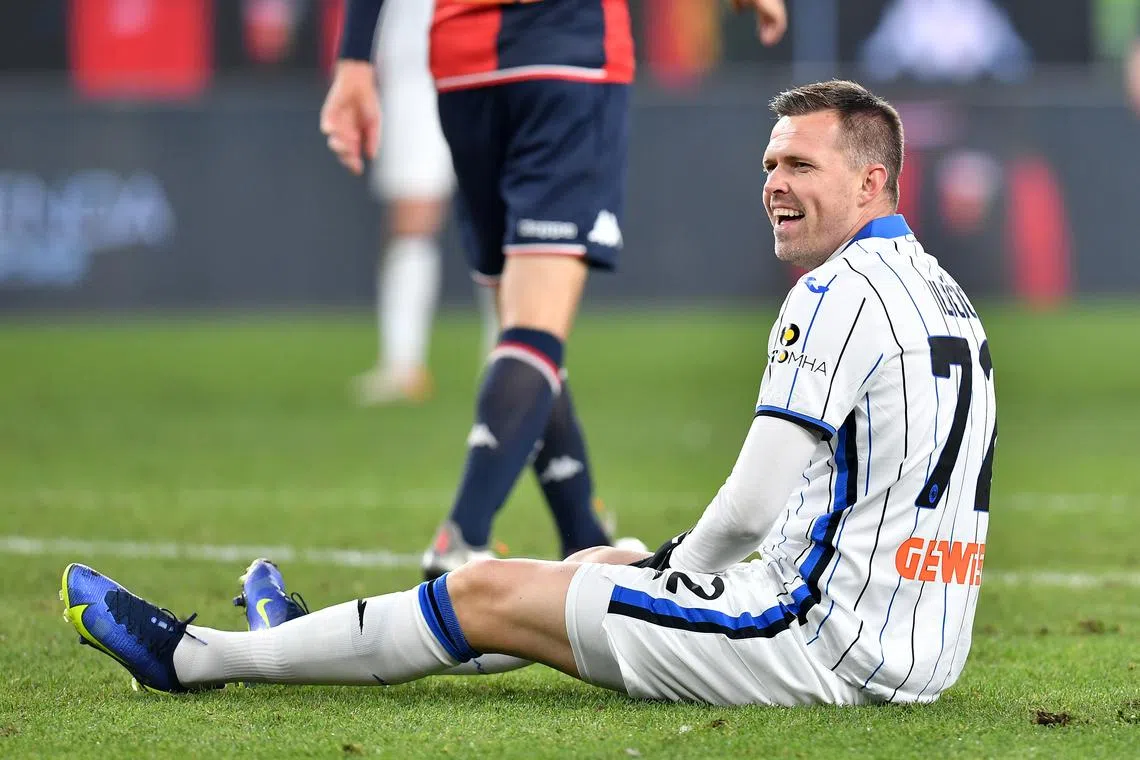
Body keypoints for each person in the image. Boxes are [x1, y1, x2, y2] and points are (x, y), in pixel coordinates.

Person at [62, 79, 997, 706]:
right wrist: (646, 566)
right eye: (768, 165)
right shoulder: (944, 291)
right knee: (598, 558)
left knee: (487, 590)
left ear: (873, 180)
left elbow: (750, 511)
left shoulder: (836, 292)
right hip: (919, 649)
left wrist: (675, 573)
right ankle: (303, 642)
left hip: (813, 640)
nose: (773, 185)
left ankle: (196, 660)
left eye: (800, 166)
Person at [322, 0, 789, 577]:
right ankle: (462, 536)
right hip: (566, 52)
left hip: (463, 66)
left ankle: (583, 536)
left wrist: (353, 61)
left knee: (525, 331)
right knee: (534, 328)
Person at [353, 0, 498, 406]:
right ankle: (402, 364)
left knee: (495, 209)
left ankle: (507, 360)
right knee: (412, 211)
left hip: (489, 50)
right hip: (415, 55)